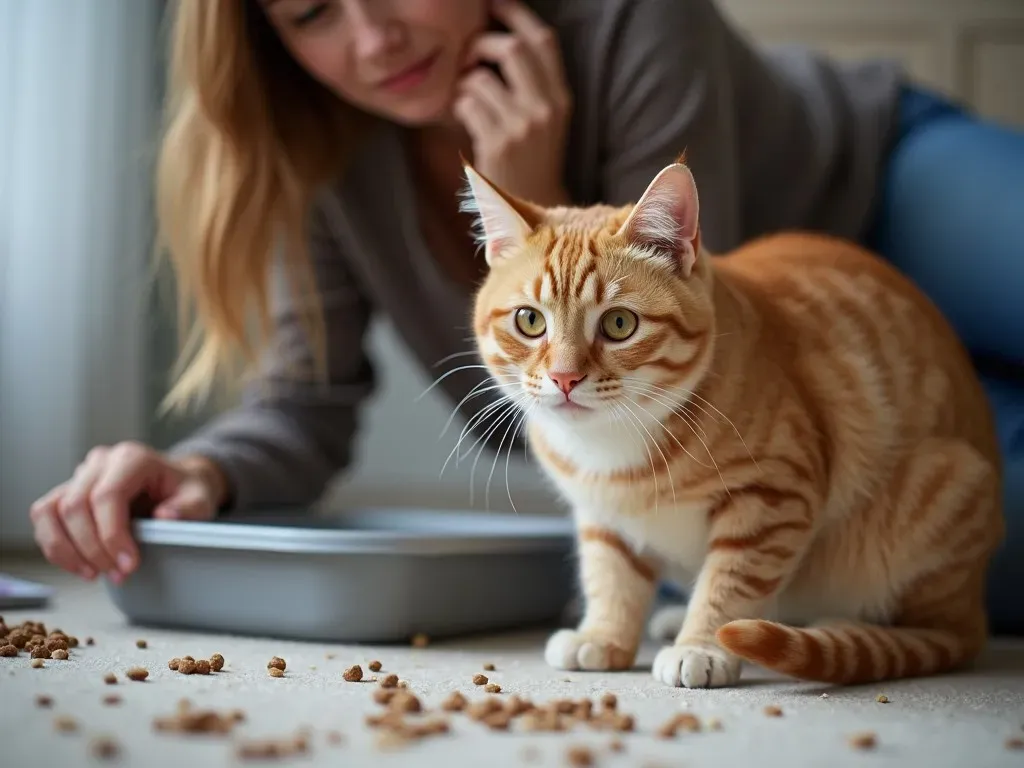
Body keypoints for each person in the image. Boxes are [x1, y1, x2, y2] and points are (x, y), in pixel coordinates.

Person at [28, 0, 1023, 633]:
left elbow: (707, 310)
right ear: (276, 42)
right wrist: (198, 469)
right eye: (313, 13)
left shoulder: (629, 18)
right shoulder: (322, 157)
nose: (374, 38)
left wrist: (537, 198)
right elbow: (304, 403)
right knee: (988, 541)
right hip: (837, 422)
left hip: (867, 189)